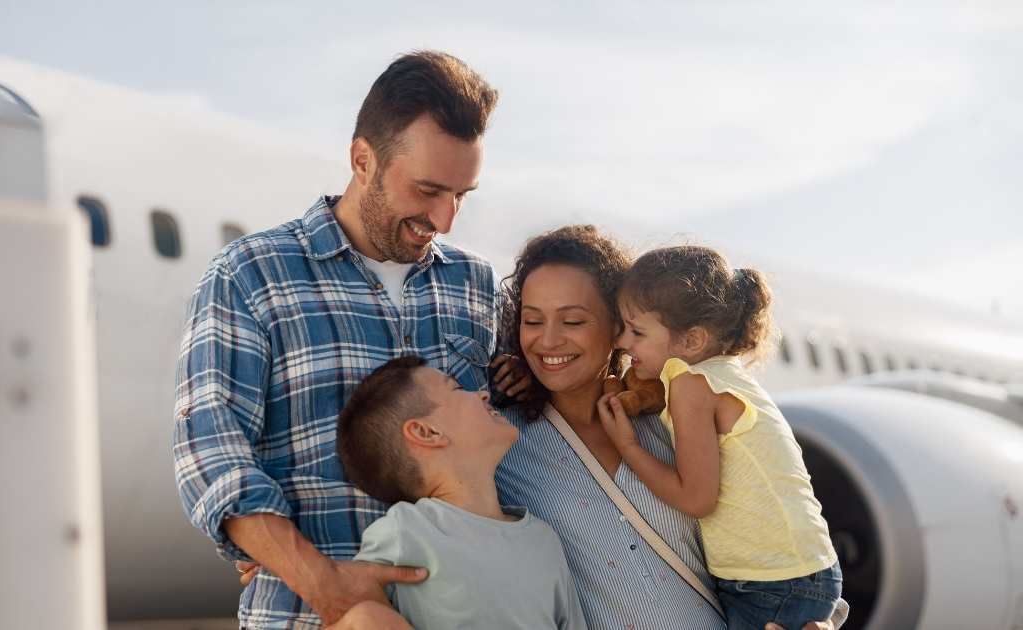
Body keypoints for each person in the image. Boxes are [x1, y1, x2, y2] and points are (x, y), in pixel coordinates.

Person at [173, 50, 527, 628]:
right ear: (363, 159)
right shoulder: (252, 273)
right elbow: (210, 452)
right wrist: (319, 580)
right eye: (429, 189)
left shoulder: (476, 286)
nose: (445, 218)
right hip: (309, 616)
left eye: (463, 195)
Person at [493, 226, 848, 630]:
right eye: (532, 321)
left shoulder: (672, 421)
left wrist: (824, 620)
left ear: (619, 327)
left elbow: (774, 535)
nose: (548, 340)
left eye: (573, 320)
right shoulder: (502, 445)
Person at [598, 246, 841, 629]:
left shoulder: (691, 386)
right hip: (794, 571)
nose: (622, 343)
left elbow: (696, 498)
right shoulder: (721, 375)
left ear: (692, 341)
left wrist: (626, 445)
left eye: (637, 331)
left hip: (773, 581)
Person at [336, 356, 587, 630]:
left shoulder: (543, 540)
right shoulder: (403, 532)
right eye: (457, 388)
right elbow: (347, 611)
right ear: (427, 432)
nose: (483, 393)